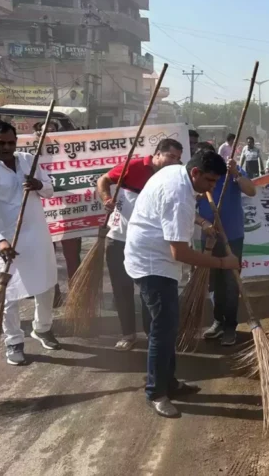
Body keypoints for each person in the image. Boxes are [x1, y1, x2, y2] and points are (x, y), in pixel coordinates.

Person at [124, 150, 240, 418]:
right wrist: (224, 264)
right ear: (195, 173)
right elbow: (181, 253)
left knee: (167, 327)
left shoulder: (177, 171)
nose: (212, 188)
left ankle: (170, 382)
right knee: (163, 330)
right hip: (153, 264)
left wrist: (204, 223)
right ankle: (156, 392)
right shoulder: (179, 197)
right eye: (209, 182)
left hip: (152, 255)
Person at [0, 120, 60, 366]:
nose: (7, 147)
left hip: (38, 235)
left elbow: (50, 190)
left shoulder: (27, 160)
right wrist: (0, 241)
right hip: (8, 242)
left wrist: (38, 184)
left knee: (46, 285)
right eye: (1, 143)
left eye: (11, 142)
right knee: (8, 294)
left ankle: (42, 328)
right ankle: (13, 341)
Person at [96, 138, 184, 351]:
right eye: (171, 156)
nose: (174, 162)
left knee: (149, 291)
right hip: (119, 239)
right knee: (122, 289)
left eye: (178, 159)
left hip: (148, 244)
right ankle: (128, 334)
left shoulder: (173, 177)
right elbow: (103, 180)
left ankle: (152, 334)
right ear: (157, 154)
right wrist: (107, 198)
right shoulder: (133, 166)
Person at [195, 144, 256, 346]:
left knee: (231, 283)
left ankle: (230, 326)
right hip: (209, 237)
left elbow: (251, 190)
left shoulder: (231, 171)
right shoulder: (197, 177)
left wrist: (236, 173)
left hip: (233, 236)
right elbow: (186, 206)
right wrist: (203, 223)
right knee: (213, 283)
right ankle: (218, 321)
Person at [33, 120, 81, 306]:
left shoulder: (68, 151)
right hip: (42, 214)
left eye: (52, 131)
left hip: (68, 211)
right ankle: (54, 294)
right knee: (47, 257)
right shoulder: (28, 157)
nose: (47, 134)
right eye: (43, 131)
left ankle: (77, 293)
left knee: (72, 255)